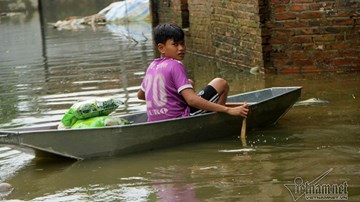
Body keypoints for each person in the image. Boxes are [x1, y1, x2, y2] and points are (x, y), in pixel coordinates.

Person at [137, 23, 248, 122]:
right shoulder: (175, 65)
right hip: (179, 118)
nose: (181, 48)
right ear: (161, 48)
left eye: (182, 43)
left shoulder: (152, 66)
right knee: (221, 83)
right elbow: (191, 100)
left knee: (189, 82)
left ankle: (214, 111)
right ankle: (216, 121)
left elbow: (141, 95)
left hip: (153, 120)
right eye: (175, 45)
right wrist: (227, 109)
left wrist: (171, 98)